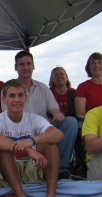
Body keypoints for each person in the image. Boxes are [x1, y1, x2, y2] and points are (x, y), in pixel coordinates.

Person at [0, 79, 64, 197]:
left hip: (31, 168)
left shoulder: (34, 118)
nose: (17, 100)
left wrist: (32, 140)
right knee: (4, 149)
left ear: (26, 98)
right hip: (6, 172)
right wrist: (29, 150)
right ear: (4, 99)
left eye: (20, 95)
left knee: (50, 143)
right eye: (12, 96)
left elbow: (58, 135)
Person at [8, 51, 77, 179]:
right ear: (16, 67)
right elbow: (8, 117)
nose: (25, 67)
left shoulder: (43, 87)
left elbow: (55, 110)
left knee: (70, 122)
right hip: (22, 130)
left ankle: (61, 169)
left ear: (33, 66)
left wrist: (59, 115)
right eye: (22, 64)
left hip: (44, 128)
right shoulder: (9, 88)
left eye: (28, 64)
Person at [75, 52, 102, 117]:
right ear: (89, 67)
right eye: (92, 63)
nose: (96, 65)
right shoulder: (83, 87)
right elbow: (81, 115)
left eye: (99, 62)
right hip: (92, 124)